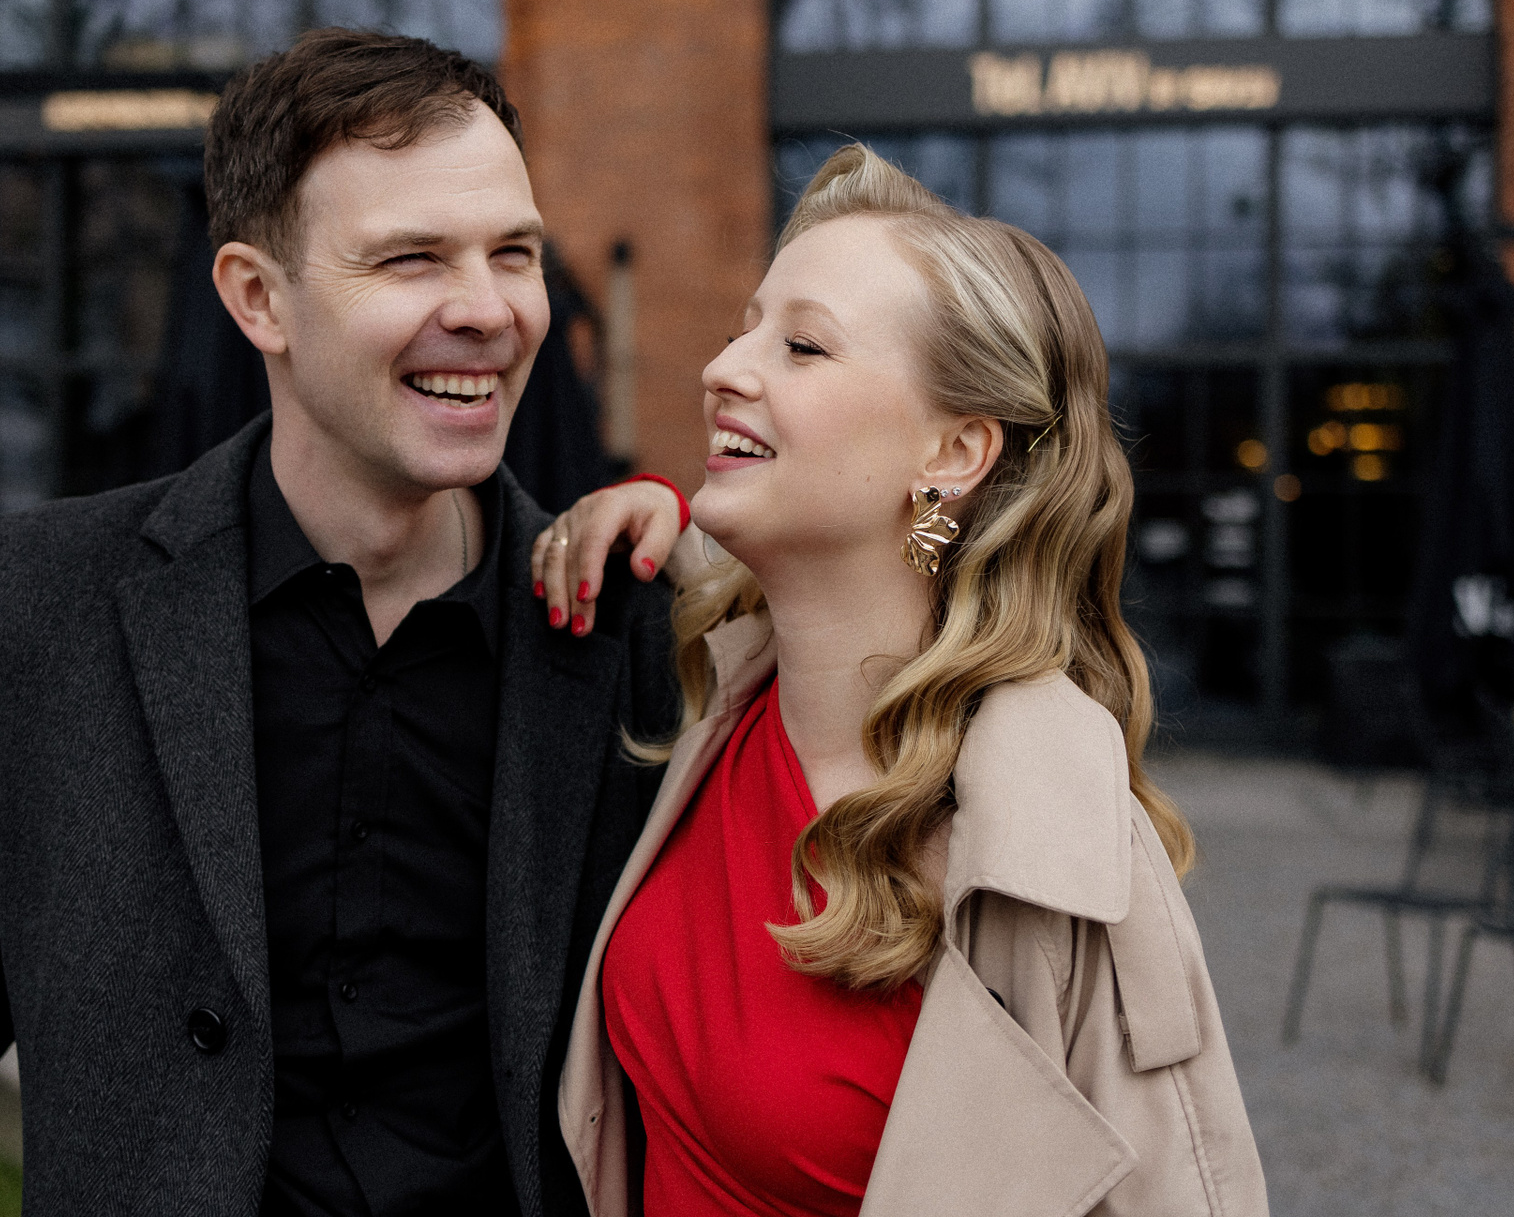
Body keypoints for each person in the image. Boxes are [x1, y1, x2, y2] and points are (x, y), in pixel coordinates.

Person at [0, 30, 681, 1217]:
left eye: (514, 252)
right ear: (257, 297)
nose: (489, 309)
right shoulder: (35, 608)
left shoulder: (633, 628)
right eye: (412, 258)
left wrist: (719, 543)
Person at [531, 144, 1269, 1216]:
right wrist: (651, 508)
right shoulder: (731, 688)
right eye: (745, 327)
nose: (724, 366)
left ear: (954, 453)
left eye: (802, 345)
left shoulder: (1053, 851)